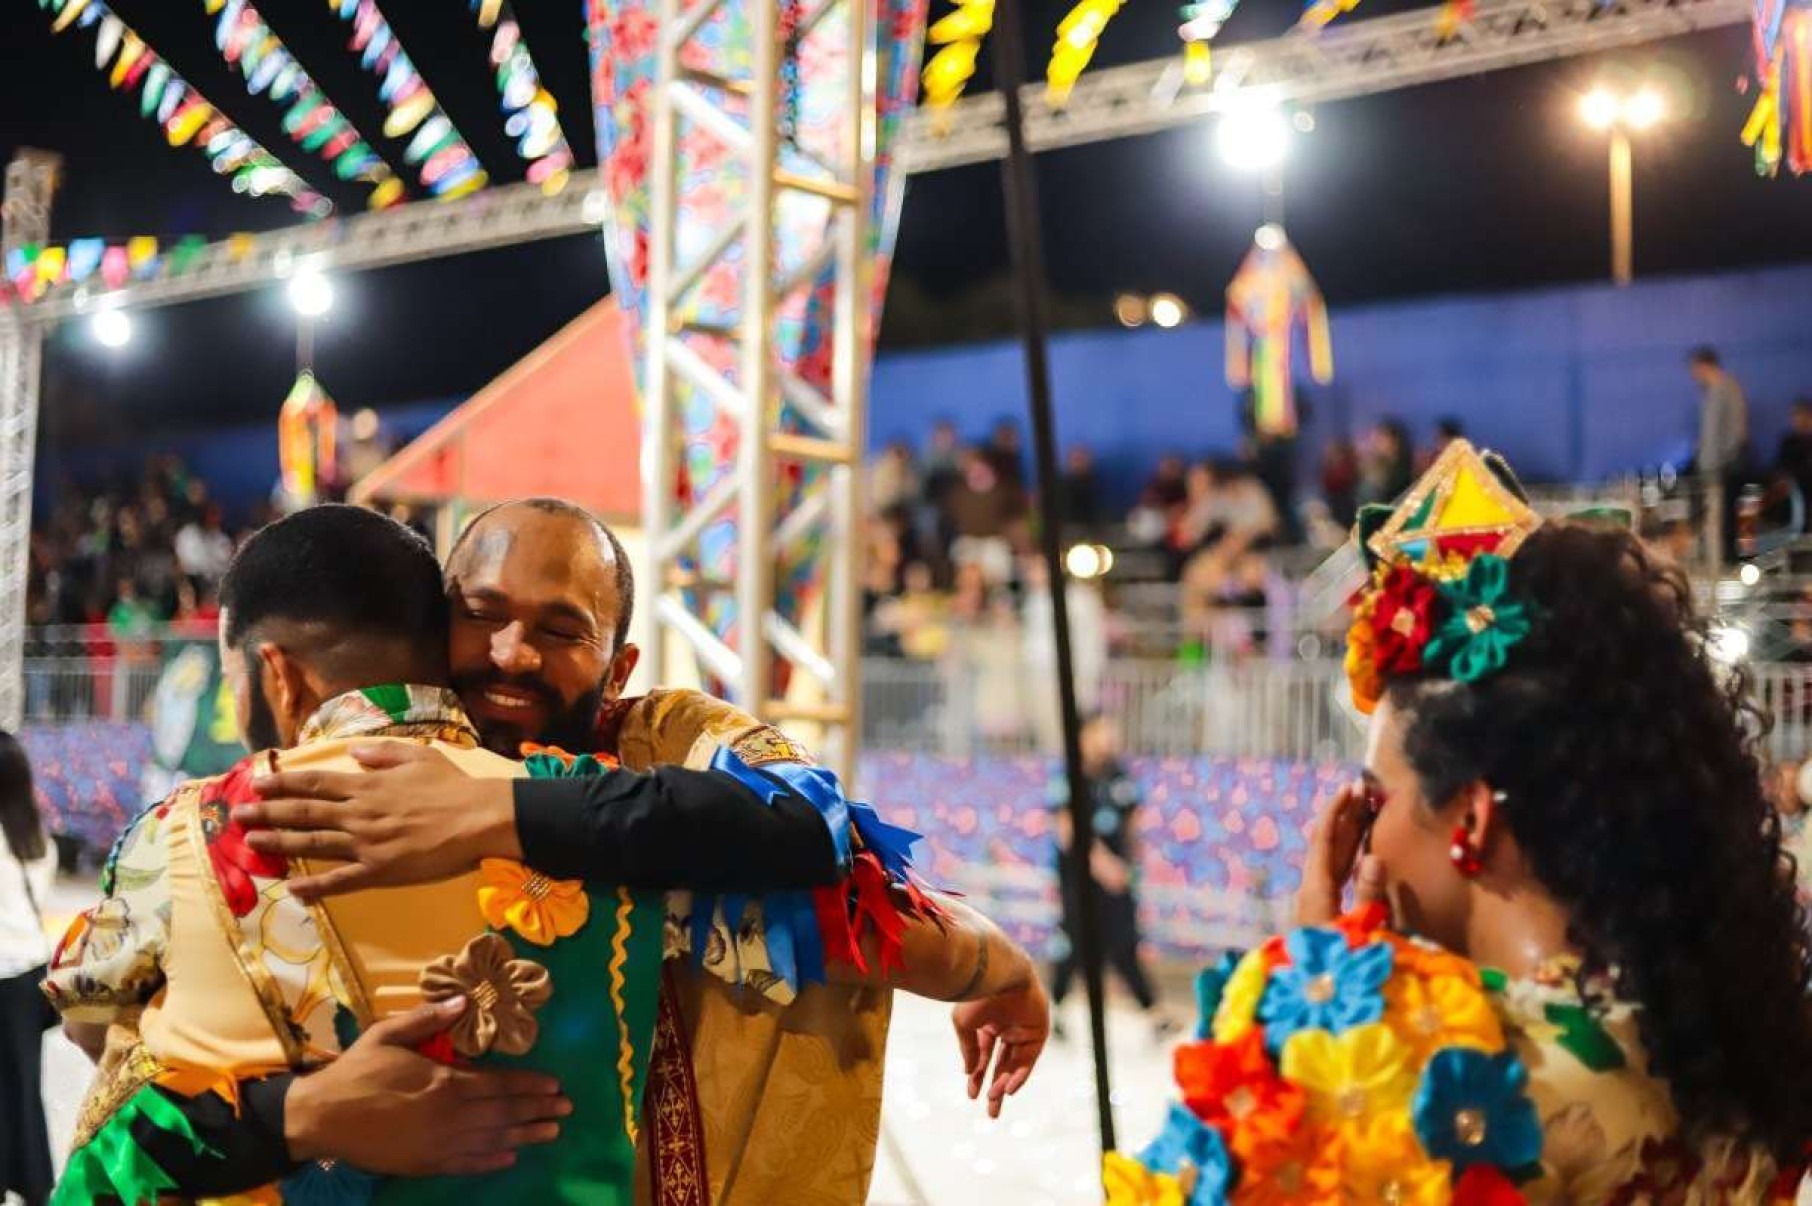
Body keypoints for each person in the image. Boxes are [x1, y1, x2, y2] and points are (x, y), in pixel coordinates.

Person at [138, 500, 1049, 1204]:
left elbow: (819, 844)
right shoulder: (297, 794)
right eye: (482, 613)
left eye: (559, 629)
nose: (511, 654)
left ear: (619, 665)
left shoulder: (667, 740)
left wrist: (503, 812)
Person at [1114, 440, 1812, 1201]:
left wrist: (1310, 988)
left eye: (1374, 800)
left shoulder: (1407, 1077)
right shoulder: (1740, 1039)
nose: (1363, 842)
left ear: (1472, 820)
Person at [1048, 714, 1168, 1042]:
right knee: (1073, 943)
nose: (1108, 737)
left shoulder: (1120, 776)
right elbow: (1068, 829)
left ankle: (1153, 1014)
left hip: (1117, 881)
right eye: (1101, 731)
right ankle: (1053, 1010)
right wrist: (1102, 866)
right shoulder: (1069, 777)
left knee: (1124, 943)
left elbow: (1133, 826)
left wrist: (1129, 868)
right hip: (1081, 881)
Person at [0, 732, 54, 1206]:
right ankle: (35, 1185)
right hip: (30, 977)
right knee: (24, 1087)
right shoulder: (36, 838)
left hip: (2, 976)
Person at [1690, 346, 1752, 564]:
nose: (1693, 374)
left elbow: (1737, 433)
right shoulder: (1710, 393)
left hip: (1724, 470)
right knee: (1712, 522)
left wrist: (1721, 460)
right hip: (1710, 470)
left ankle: (1726, 567)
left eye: (1694, 368)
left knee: (1724, 522)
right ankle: (1716, 567)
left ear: (1704, 365)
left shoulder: (1728, 389)